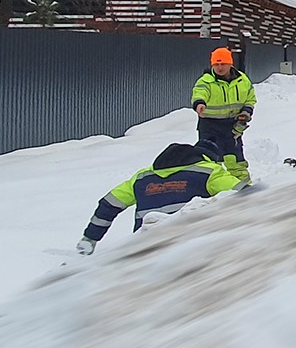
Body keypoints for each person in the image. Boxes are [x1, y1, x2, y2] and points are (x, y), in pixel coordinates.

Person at [76, 141, 242, 253]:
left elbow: (109, 204)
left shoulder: (142, 177)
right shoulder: (209, 172)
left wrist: (90, 238)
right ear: (207, 157)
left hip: (144, 247)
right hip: (190, 246)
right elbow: (246, 194)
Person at [193, 46, 257, 184]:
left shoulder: (242, 80)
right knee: (210, 161)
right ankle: (213, 191)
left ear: (230, 64)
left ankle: (245, 187)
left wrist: (246, 112)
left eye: (223, 64)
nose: (220, 67)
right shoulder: (206, 81)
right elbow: (199, 93)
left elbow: (250, 99)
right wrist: (199, 104)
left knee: (236, 160)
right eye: (216, 64)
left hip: (232, 127)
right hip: (210, 126)